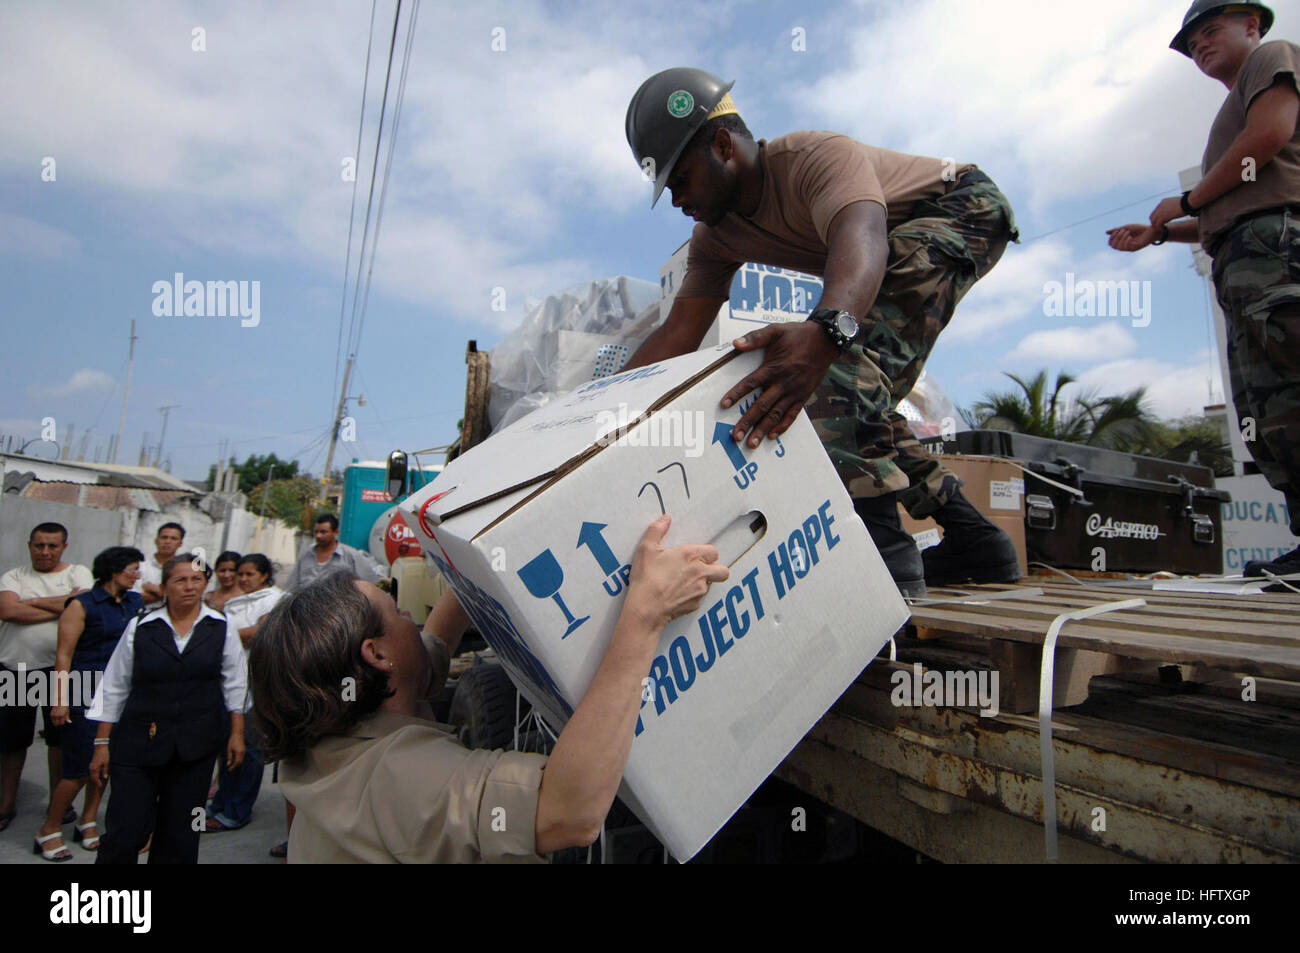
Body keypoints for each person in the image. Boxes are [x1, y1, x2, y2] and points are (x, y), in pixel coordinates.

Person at [623, 68, 1021, 598]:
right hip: (891, 244)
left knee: (829, 366)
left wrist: (825, 333)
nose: (676, 201)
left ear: (722, 146)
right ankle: (977, 542)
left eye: (680, 181)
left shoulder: (812, 157)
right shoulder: (716, 240)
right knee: (850, 389)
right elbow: (678, 332)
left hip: (961, 209)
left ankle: (887, 571)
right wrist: (598, 412)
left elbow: (866, 240)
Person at [251, 514, 728, 863]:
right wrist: (646, 614)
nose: (407, 617)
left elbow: (426, 652)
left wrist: (481, 553)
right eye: (395, 611)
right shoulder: (402, 779)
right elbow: (568, 810)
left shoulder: (330, 736)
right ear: (376, 656)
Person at [1107, 0, 1299, 587]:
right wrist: (1166, 232)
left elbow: (1270, 137)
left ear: (1252, 24)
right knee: (1274, 415)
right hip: (1243, 258)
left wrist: (1186, 203)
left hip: (1275, 252)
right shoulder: (1231, 105)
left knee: (1292, 390)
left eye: (1209, 32)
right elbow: (1233, 208)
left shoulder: (1273, 57)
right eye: (1191, 44)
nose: (1200, 47)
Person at [88, 554, 248, 864]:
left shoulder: (221, 627)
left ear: (205, 585)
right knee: (126, 830)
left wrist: (237, 733)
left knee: (180, 833)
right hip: (138, 743)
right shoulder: (142, 626)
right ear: (164, 587)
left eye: (197, 580)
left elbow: (236, 684)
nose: (189, 587)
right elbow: (114, 686)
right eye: (180, 580)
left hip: (196, 745)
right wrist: (101, 743)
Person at [34, 547, 144, 860]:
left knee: (105, 761)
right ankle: (49, 828)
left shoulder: (136, 603)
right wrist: (59, 700)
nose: (137, 575)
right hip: (83, 691)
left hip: (120, 693)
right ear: (114, 570)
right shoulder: (81, 605)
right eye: (133, 569)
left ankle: (88, 820)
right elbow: (63, 655)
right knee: (79, 767)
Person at [0, 522, 92, 835]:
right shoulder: (14, 575)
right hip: (16, 669)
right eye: (39, 545)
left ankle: (60, 805)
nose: (45, 551)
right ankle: (5, 804)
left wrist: (31, 601)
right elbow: (8, 611)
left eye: (52, 546)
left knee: (61, 741)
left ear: (64, 547)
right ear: (29, 546)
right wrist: (64, 605)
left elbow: (83, 605)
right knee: (11, 742)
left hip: (63, 671)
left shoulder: (78, 573)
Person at [204, 553, 283, 832]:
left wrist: (220, 636)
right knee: (228, 746)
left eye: (250, 574)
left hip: (257, 685)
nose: (243, 579)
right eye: (241, 574)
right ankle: (220, 804)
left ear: (264, 575)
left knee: (251, 750)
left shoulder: (275, 599)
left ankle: (237, 811)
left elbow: (260, 633)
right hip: (230, 681)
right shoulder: (235, 602)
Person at [284, 513, 380, 590]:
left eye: (323, 532)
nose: (318, 536)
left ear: (335, 532)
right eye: (316, 532)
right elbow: (290, 588)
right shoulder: (305, 556)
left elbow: (371, 585)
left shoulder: (351, 556)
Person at [135, 522, 185, 610]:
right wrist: (169, 594)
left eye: (173, 538)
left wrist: (159, 591)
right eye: (164, 537)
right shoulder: (140, 566)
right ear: (156, 540)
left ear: (180, 544)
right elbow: (133, 598)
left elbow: (184, 598)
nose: (167, 542)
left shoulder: (183, 570)